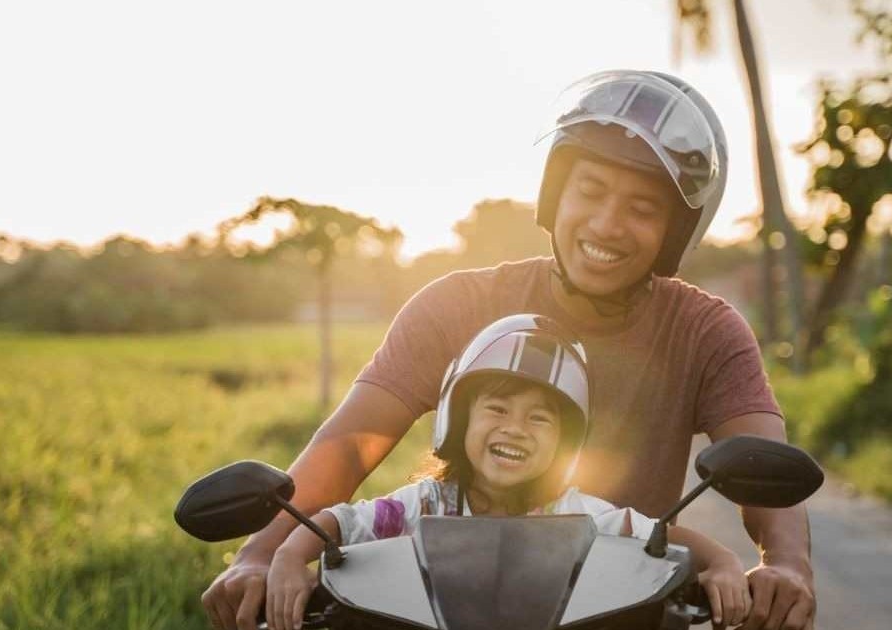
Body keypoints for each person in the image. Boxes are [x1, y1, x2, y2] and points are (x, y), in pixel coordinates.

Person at [204, 69, 816, 630]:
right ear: (555, 195)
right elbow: (349, 444)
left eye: (641, 208)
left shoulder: (705, 330)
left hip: (622, 613)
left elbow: (762, 462)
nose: (606, 224)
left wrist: (786, 565)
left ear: (673, 232)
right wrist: (262, 554)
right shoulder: (457, 304)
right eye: (590, 191)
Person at [264, 315, 752, 630]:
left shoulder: (580, 516)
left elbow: (659, 536)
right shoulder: (424, 504)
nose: (515, 428)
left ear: (565, 444)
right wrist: (287, 559)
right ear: (459, 419)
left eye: (540, 418)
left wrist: (724, 562)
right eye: (497, 409)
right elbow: (339, 523)